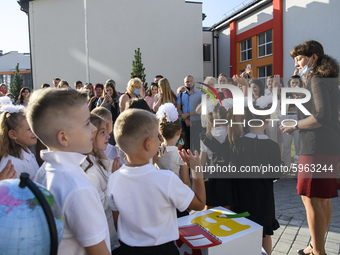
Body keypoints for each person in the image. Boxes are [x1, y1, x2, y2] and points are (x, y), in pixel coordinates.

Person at [106, 109, 205, 255]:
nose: (160, 140)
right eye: (157, 137)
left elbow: (117, 222)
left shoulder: (113, 179)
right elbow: (199, 203)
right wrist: (197, 170)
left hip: (127, 249)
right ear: (148, 144)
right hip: (163, 250)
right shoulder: (166, 179)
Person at [26, 88, 111, 255]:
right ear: (64, 138)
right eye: (87, 123)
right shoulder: (78, 188)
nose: (93, 128)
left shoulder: (45, 171)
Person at [280, 40, 340, 255]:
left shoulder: (316, 79)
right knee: (322, 199)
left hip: (315, 147)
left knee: (311, 198)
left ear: (313, 57)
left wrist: (294, 125)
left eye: (299, 58)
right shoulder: (326, 79)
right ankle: (315, 246)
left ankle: (318, 252)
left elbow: (321, 116)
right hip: (329, 145)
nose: (296, 64)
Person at [230, 101, 281, 255]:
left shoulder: (238, 144)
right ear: (267, 120)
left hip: (242, 198)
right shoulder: (273, 146)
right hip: (264, 200)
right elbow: (275, 175)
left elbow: (232, 171)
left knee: (242, 232)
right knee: (265, 234)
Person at [81, 114, 120, 254]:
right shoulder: (89, 171)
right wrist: (114, 182)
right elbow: (100, 202)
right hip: (104, 237)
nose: (108, 136)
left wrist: (102, 156)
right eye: (102, 132)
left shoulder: (96, 160)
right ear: (91, 136)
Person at [199, 102, 242, 210]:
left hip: (213, 177)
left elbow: (200, 163)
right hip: (230, 178)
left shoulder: (206, 137)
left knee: (209, 211)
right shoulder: (235, 133)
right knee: (228, 213)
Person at [0, 104, 39, 180]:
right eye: (29, 129)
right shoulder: (12, 163)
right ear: (13, 134)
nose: (34, 131)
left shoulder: (27, 152)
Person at [155, 103, 190, 186]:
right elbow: (186, 184)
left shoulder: (155, 152)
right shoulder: (180, 158)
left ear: (160, 131)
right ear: (179, 132)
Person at [176, 75, 202, 151]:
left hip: (196, 123)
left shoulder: (200, 95)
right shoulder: (181, 95)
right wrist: (186, 119)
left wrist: (187, 115)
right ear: (184, 83)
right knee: (186, 145)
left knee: (197, 146)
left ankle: (197, 162)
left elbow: (199, 110)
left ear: (194, 82)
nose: (189, 83)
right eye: (187, 82)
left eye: (191, 81)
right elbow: (178, 108)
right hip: (185, 124)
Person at [281, 75, 303, 168]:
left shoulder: (303, 95)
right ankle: (287, 167)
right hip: (287, 119)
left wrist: (298, 96)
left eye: (296, 83)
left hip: (298, 119)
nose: (294, 85)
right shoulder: (285, 95)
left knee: (298, 146)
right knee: (287, 146)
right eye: (293, 83)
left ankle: (298, 168)